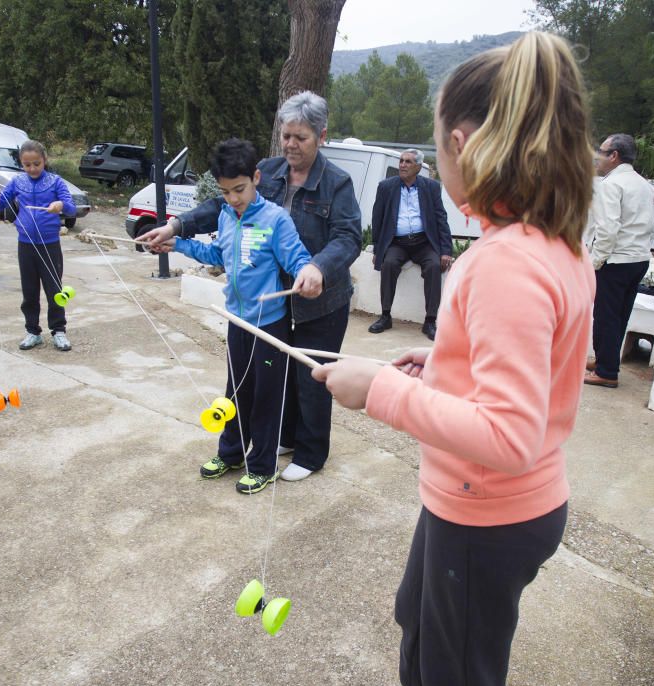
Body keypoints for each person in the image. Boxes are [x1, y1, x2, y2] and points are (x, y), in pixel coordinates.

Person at [313, 32, 596, 686]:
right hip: (495, 507)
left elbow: (508, 435)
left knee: (457, 678)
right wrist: (443, 361)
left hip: (487, 512)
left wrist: (379, 389)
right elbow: (532, 368)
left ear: (462, 145)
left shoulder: (505, 263)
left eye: (437, 145)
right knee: (421, 622)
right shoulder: (553, 246)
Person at [137, 91, 362, 483]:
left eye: (301, 137)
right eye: (286, 135)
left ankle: (310, 453)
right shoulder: (267, 171)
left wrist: (317, 269)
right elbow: (220, 210)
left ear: (321, 136)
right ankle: (277, 439)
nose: (291, 144)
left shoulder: (337, 184)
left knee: (312, 376)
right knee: (265, 381)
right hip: (264, 303)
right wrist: (176, 228)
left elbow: (347, 238)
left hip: (319, 297)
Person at [154, 138, 316, 494]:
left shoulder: (276, 220)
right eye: (226, 192)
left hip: (269, 324)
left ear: (256, 178)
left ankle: (263, 465)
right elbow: (217, 255)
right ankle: (231, 454)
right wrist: (177, 243)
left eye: (239, 189)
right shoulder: (227, 215)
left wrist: (308, 273)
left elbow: (297, 259)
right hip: (237, 320)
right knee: (236, 391)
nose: (233, 199)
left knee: (266, 397)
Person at [0, 139, 77, 351]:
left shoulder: (56, 182)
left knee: (54, 288)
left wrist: (61, 205)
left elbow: (72, 208)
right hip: (26, 243)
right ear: (21, 164)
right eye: (27, 165)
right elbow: (1, 204)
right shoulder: (18, 182)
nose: (32, 168)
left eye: (36, 163)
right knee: (29, 290)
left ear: (44, 160)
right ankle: (32, 331)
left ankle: (59, 330)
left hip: (50, 244)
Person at [584, 133, 654, 389]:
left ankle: (606, 371)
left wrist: (595, 261)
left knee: (605, 316)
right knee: (620, 315)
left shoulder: (611, 185)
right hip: (638, 259)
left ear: (614, 156)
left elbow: (607, 229)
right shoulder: (644, 185)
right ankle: (605, 359)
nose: (598, 157)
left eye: (601, 152)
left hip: (615, 260)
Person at [368, 149, 452, 340]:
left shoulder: (431, 187)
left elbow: (441, 218)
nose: (402, 165)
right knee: (388, 264)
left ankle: (430, 321)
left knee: (433, 266)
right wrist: (377, 246)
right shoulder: (386, 187)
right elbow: (377, 218)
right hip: (397, 243)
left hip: (424, 243)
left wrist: (446, 250)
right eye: (401, 161)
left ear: (418, 167)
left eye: (407, 162)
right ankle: (385, 316)